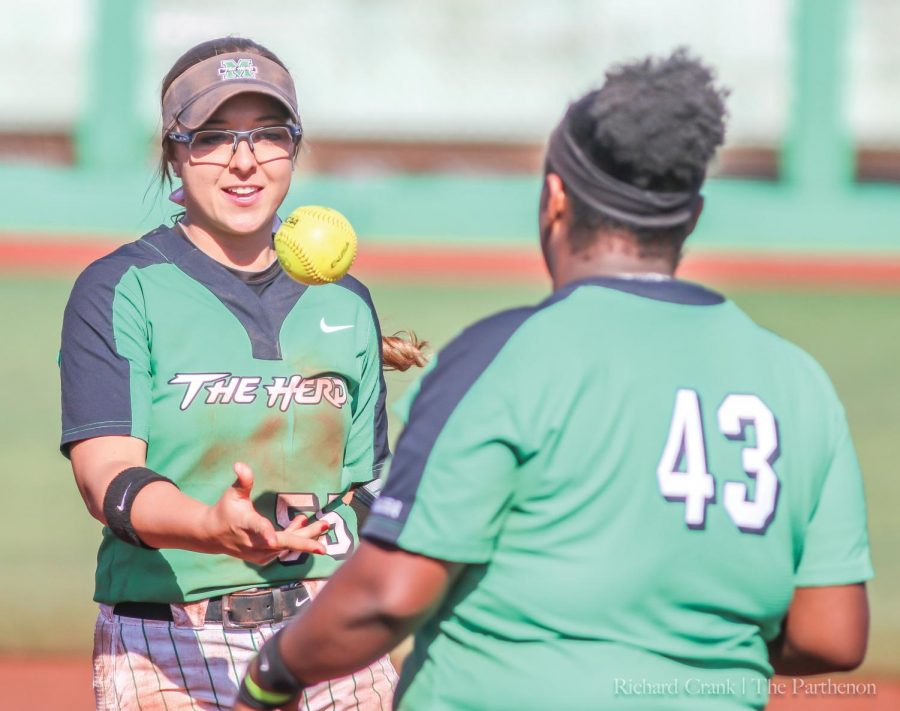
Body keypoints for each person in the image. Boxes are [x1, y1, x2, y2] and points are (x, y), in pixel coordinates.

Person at [233, 50, 872, 711]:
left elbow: (385, 596)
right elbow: (832, 633)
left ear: (555, 196)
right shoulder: (797, 382)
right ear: (692, 215)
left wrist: (269, 675)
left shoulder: (504, 354)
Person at [60, 36, 424, 711]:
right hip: (167, 647)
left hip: (327, 635)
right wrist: (209, 525)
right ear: (172, 149)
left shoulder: (346, 303)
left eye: (268, 135)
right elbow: (104, 477)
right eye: (214, 136)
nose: (245, 161)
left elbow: (366, 488)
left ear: (295, 145)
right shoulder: (121, 288)